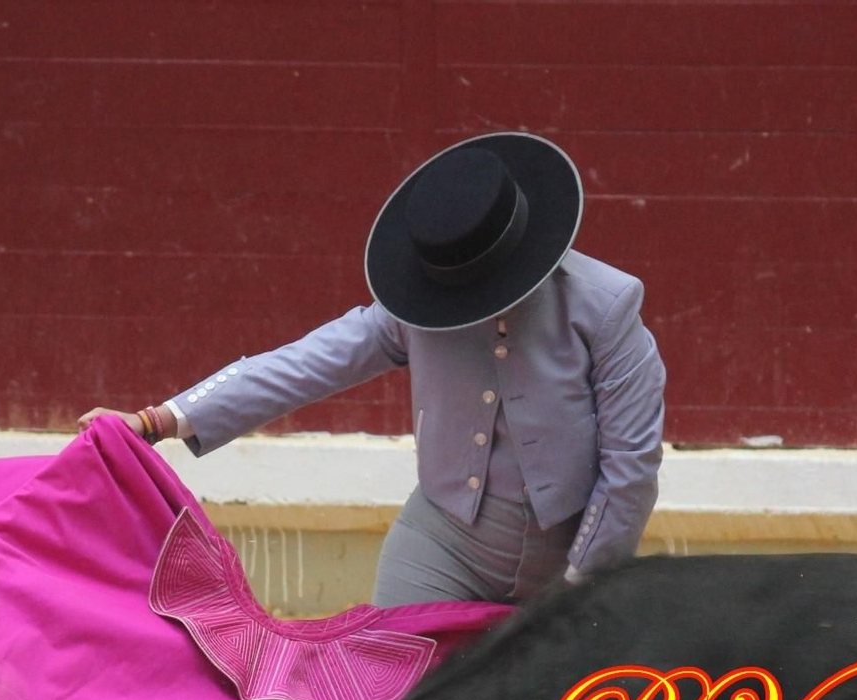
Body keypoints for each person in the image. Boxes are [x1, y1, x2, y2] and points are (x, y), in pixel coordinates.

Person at [78, 131, 666, 606]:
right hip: (443, 547)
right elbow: (307, 363)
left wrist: (579, 588)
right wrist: (157, 421)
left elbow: (630, 466)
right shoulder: (423, 306)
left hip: (568, 555)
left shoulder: (605, 306)